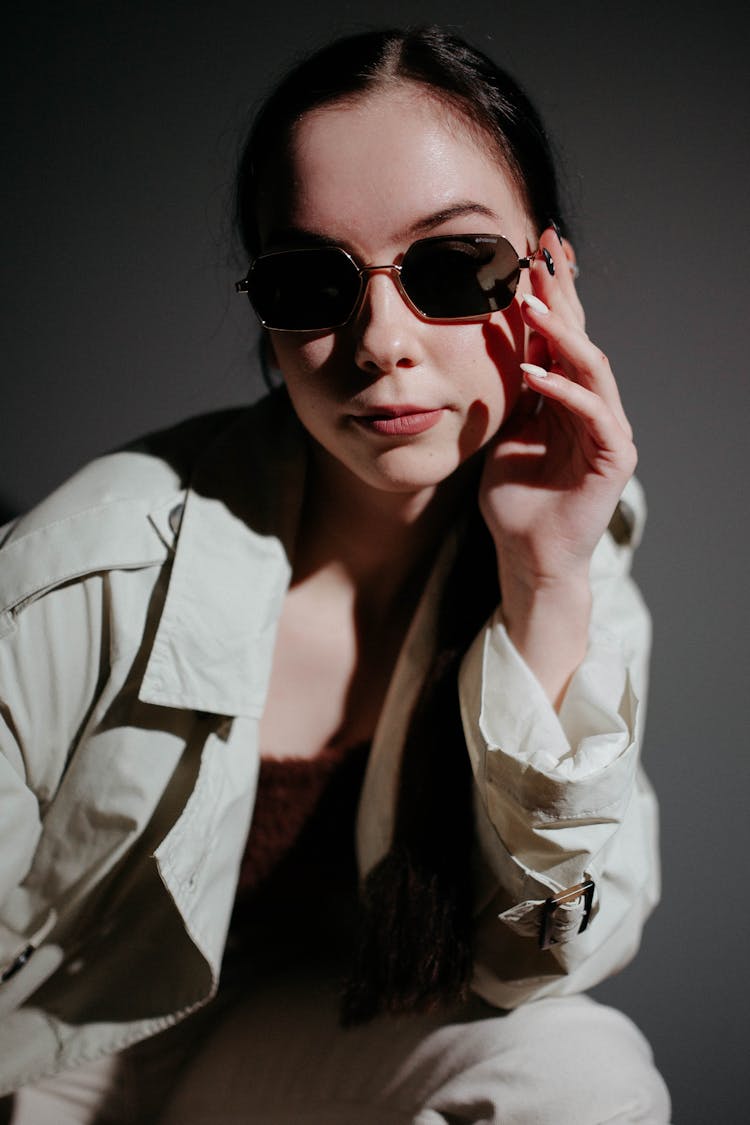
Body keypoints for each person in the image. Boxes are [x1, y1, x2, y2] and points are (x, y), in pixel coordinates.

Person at [0, 25, 670, 1124]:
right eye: (312, 281)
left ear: (549, 278)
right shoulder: (83, 573)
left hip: (290, 1063)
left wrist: (544, 582)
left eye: (454, 269)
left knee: (583, 1070)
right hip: (52, 1076)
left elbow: (537, 964)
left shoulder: (570, 543)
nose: (380, 340)